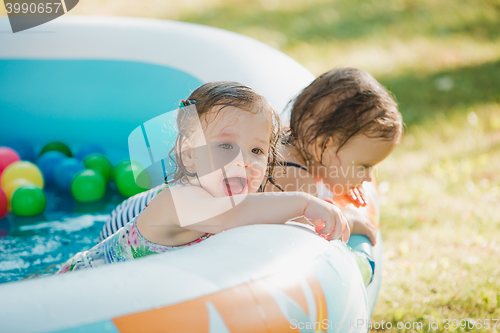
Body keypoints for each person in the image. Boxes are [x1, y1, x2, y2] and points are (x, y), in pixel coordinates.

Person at [58, 81, 349, 273]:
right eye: (225, 145)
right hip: (78, 286)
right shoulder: (176, 201)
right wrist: (303, 203)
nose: (245, 160)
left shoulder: (238, 198)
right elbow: (229, 217)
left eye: (257, 150)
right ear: (188, 154)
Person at [273, 67, 403, 245]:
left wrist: (342, 177)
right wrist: (348, 217)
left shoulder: (290, 134)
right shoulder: (297, 180)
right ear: (322, 146)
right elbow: (308, 243)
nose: (367, 177)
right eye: (364, 166)